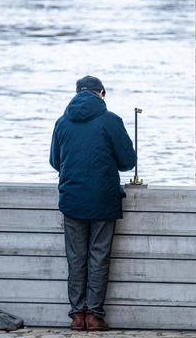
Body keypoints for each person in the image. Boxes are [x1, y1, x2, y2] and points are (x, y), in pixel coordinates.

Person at [49, 75, 136, 332]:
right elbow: (127, 161)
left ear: (77, 93)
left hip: (72, 199)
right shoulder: (111, 121)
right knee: (98, 255)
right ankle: (95, 316)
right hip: (103, 199)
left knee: (76, 257)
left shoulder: (62, 123)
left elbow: (55, 161)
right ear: (101, 93)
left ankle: (77, 315)